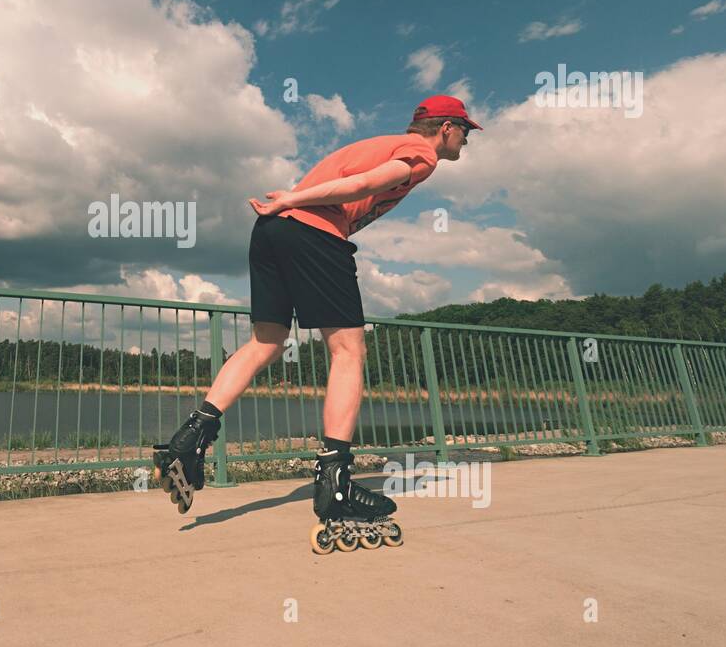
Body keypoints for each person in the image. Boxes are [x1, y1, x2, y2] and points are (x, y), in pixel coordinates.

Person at [151, 94, 481, 541]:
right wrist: (294, 198)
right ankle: (336, 484)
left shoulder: (380, 141)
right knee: (348, 350)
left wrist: (287, 206)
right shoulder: (421, 153)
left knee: (265, 342)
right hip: (308, 227)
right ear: (446, 128)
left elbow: (357, 187)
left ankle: (190, 438)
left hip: (273, 233)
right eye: (465, 130)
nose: (466, 140)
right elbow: (366, 184)